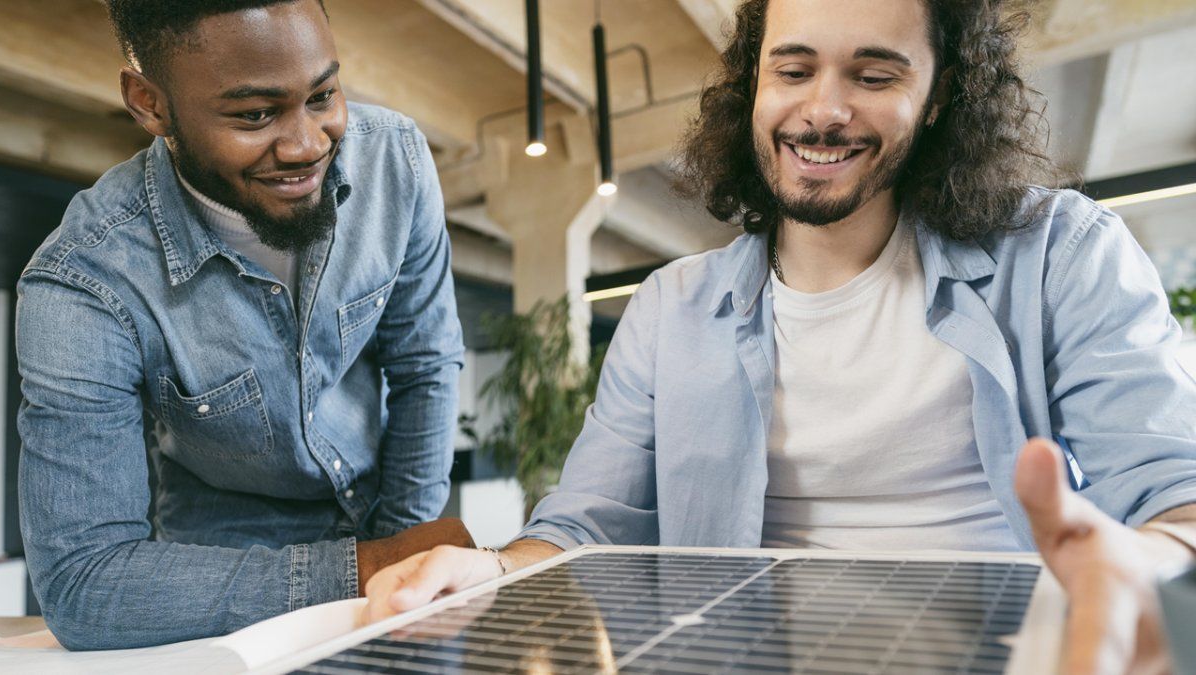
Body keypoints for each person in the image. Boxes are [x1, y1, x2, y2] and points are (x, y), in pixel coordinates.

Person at [364, 0, 1196, 671]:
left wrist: (1146, 560)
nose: (823, 111)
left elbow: (1174, 493)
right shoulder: (671, 308)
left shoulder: (1061, 254)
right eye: (792, 70)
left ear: (940, 94)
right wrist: (497, 566)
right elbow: (587, 524)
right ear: (752, 84)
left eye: (874, 74)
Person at [16, 0, 472, 650]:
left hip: (390, 520)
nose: (307, 144)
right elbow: (85, 583)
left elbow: (426, 364)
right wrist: (367, 566)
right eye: (255, 115)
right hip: (217, 580)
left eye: (323, 95)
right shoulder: (85, 279)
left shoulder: (396, 162)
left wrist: (401, 549)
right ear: (150, 103)